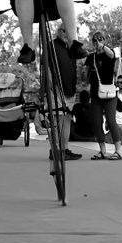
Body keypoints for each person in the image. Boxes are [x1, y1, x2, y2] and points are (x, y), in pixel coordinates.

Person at [86, 31, 122, 160]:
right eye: (95, 40)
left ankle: (118, 151)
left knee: (111, 120)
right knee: (97, 122)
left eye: (100, 39)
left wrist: (103, 47)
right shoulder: (91, 57)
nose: (97, 42)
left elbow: (112, 55)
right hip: (95, 92)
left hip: (110, 93)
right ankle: (102, 150)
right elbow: (87, 73)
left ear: (104, 41)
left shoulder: (109, 54)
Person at [50, 25, 82, 160]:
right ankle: (56, 150)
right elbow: (47, 67)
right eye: (64, 30)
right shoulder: (52, 45)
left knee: (67, 118)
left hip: (70, 89)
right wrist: (50, 87)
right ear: (59, 31)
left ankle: (64, 149)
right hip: (57, 88)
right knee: (58, 119)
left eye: (69, 31)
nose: (66, 33)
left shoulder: (72, 47)